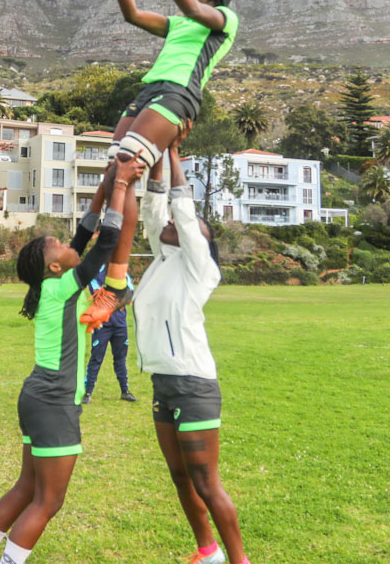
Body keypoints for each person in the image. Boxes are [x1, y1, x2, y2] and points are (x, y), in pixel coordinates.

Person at [0, 156, 145, 564]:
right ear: (56, 266)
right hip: (55, 401)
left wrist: (102, 189)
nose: (66, 243)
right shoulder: (61, 288)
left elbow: (82, 237)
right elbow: (105, 244)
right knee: (48, 501)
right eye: (58, 246)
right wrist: (123, 187)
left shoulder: (54, 283)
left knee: (27, 488)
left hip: (38, 398)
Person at [82, 0, 239, 327]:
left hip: (177, 96)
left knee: (129, 166)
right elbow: (132, 13)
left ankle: (116, 285)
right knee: (114, 166)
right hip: (149, 91)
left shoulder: (223, 20)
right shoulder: (179, 26)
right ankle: (79, 247)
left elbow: (191, 6)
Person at [135, 145, 248, 564]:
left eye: (187, 226)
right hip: (163, 383)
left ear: (199, 239)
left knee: (206, 481)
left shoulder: (200, 268)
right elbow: (154, 209)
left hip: (193, 384)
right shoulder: (165, 259)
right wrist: (157, 156)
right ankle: (209, 552)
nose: (172, 225)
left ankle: (239, 561)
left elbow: (182, 214)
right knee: (180, 476)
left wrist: (175, 150)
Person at [82, 296, 135, 405]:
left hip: (120, 325)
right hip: (101, 325)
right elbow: (99, 297)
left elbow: (128, 296)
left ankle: (125, 391)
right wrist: (116, 301)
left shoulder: (125, 279)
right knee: (96, 358)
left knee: (121, 359)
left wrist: (110, 303)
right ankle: (88, 392)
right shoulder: (97, 278)